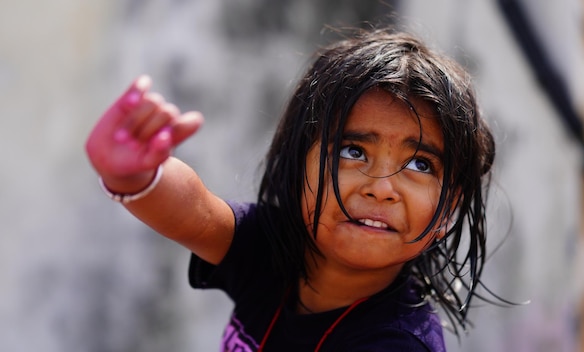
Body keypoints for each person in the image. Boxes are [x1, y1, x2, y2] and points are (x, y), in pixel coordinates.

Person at [86, 29, 496, 351]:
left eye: (419, 164)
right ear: (299, 166)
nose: (382, 188)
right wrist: (136, 175)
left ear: (447, 212)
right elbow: (197, 212)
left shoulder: (397, 342)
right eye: (353, 151)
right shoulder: (274, 246)